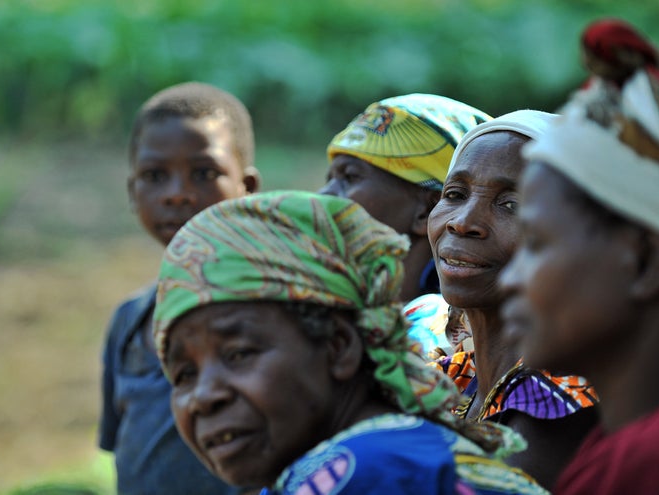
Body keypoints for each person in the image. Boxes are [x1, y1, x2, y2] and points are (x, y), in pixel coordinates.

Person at [151, 190, 549, 495]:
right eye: (183, 374)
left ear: (339, 345)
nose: (204, 396)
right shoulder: (396, 453)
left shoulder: (366, 469)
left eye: (238, 354)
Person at [499, 19, 659, 495]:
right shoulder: (613, 456)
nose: (510, 279)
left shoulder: (642, 466)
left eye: (535, 244)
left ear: (645, 262)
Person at [98, 82, 260, 495]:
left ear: (249, 188)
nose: (177, 194)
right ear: (132, 193)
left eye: (205, 173)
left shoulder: (274, 313)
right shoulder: (131, 322)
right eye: (154, 176)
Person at [426, 110, 599, 490]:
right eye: (455, 194)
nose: (463, 221)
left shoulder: (559, 393)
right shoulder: (456, 378)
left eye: (513, 205)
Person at [320, 93, 491, 302]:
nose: (324, 194)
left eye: (350, 176)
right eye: (330, 179)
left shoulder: (445, 331)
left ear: (428, 209)